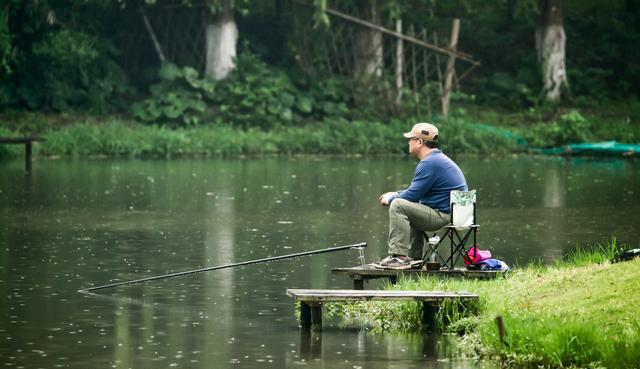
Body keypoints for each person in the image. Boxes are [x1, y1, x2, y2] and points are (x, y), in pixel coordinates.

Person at [376, 122, 468, 269]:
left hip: (444, 216)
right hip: (454, 214)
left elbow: (412, 195)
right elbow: (417, 192)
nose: (408, 141)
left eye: (411, 138)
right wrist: (397, 193)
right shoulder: (437, 160)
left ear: (420, 142)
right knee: (409, 205)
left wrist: (392, 198)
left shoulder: (429, 163)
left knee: (398, 205)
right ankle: (413, 257)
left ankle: (399, 257)